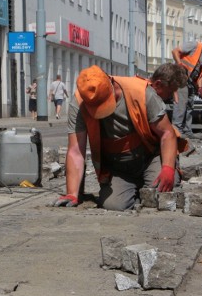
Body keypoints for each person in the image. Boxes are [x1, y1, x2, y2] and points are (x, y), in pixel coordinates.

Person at [52, 63, 188, 211]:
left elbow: (167, 133)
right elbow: (75, 151)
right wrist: (72, 194)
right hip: (119, 167)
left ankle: (156, 179)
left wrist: (168, 168)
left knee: (162, 193)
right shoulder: (79, 103)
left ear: (111, 84)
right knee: (113, 205)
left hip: (150, 157)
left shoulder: (141, 93)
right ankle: (134, 189)